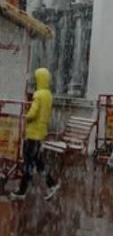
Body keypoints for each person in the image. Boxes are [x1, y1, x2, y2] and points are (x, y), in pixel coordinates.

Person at [10, 67, 60, 201]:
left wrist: (25, 116)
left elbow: (33, 113)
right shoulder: (48, 95)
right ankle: (52, 184)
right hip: (40, 133)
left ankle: (22, 191)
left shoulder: (38, 95)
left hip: (32, 134)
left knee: (28, 163)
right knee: (38, 162)